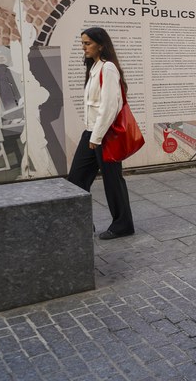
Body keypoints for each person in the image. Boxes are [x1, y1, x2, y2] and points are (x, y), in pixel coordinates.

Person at [67, 27, 135, 240]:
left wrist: (96, 137)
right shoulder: (94, 67)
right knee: (76, 179)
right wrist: (92, 135)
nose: (83, 47)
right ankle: (82, 224)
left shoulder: (108, 68)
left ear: (101, 45)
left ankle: (123, 225)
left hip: (103, 135)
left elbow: (109, 106)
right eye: (82, 43)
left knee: (113, 180)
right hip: (92, 132)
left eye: (87, 43)